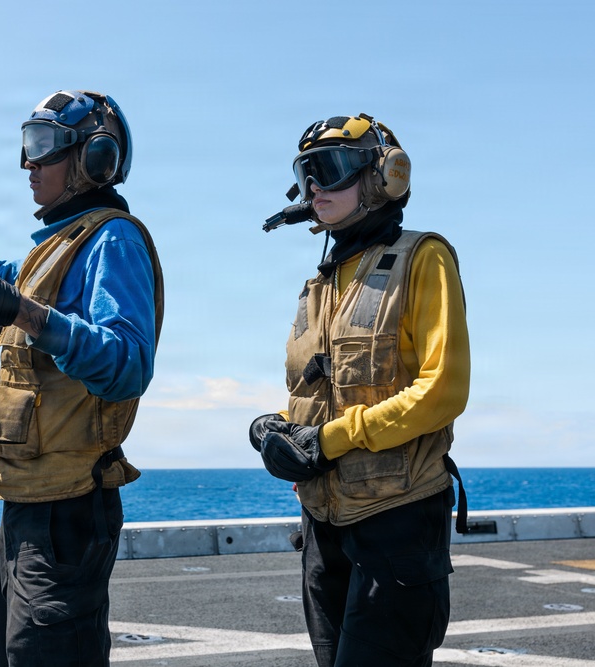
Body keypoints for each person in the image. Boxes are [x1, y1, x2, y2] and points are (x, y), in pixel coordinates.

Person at [0, 90, 164, 667]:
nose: (29, 164)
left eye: (45, 147)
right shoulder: (51, 251)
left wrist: (22, 312)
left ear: (94, 159)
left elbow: (127, 364)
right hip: (28, 499)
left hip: (71, 509)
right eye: (26, 147)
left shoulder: (113, 239)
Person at [250, 114, 471, 667]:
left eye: (327, 170)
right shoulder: (321, 284)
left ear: (383, 176)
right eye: (306, 175)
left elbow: (442, 389)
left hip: (396, 523)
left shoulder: (423, 258)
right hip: (323, 525)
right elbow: (325, 394)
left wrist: (328, 440)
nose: (315, 187)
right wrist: (275, 427)